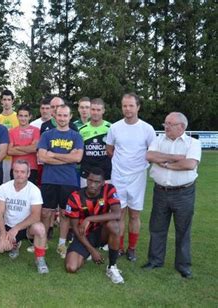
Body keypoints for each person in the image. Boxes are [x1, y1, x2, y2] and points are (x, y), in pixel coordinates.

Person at [142, 112, 201, 279]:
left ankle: (183, 265)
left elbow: (189, 164)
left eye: (170, 124)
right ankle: (155, 260)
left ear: (181, 127)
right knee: (157, 228)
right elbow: (150, 155)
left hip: (184, 193)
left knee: (183, 230)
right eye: (165, 123)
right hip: (161, 191)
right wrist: (175, 159)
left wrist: (164, 164)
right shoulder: (158, 140)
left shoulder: (193, 143)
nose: (166, 126)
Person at [106, 93, 155, 261]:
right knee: (119, 214)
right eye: (124, 106)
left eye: (131, 106)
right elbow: (109, 150)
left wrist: (135, 166)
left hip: (138, 177)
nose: (127, 109)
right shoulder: (115, 127)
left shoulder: (147, 129)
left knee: (134, 215)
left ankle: (131, 248)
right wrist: (121, 165)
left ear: (138, 107)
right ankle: (118, 247)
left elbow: (152, 152)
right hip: (118, 176)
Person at [38, 104, 83, 258]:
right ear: (54, 116)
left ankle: (61, 244)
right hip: (49, 179)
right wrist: (66, 158)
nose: (62, 118)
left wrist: (54, 155)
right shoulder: (47, 135)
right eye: (59, 115)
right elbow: (42, 157)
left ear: (70, 117)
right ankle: (42, 242)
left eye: (65, 115)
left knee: (65, 214)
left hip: (68, 181)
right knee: (45, 213)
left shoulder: (76, 136)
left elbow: (77, 158)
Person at [64, 167, 124, 284]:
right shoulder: (75, 197)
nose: (92, 184)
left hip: (102, 233)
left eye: (96, 182)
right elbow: (75, 228)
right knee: (71, 268)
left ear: (102, 183)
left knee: (114, 226)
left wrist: (89, 219)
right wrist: (92, 251)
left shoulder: (109, 189)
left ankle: (112, 267)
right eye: (90, 180)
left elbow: (117, 214)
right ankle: (86, 253)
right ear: (86, 180)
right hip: (83, 234)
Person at [0, 160, 49, 274]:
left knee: (40, 228)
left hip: (27, 227)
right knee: (0, 247)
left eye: (23, 172)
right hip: (8, 225)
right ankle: (14, 244)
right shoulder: (4, 188)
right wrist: (3, 233)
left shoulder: (34, 190)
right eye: (16, 171)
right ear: (12, 172)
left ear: (28, 174)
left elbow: (35, 216)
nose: (19, 174)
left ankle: (40, 259)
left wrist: (17, 228)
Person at [78, 98, 111, 188]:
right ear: (89, 110)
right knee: (86, 200)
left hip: (106, 173)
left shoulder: (111, 128)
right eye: (93, 109)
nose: (95, 112)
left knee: (106, 201)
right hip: (86, 173)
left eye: (98, 110)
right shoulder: (81, 130)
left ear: (103, 111)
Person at [7, 105, 40, 183]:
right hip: (15, 168)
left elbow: (35, 148)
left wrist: (17, 147)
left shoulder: (36, 130)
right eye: (21, 116)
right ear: (17, 116)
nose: (23, 118)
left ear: (30, 117)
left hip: (31, 168)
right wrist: (29, 148)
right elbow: (9, 151)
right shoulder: (11, 131)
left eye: (26, 116)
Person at [0, 89, 19, 183]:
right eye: (4, 99)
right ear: (1, 101)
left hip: (16, 157)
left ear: (12, 101)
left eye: (9, 100)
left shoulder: (19, 117)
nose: (6, 102)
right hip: (2, 158)